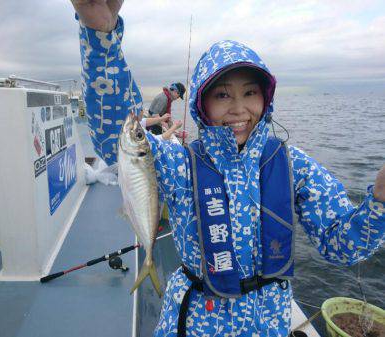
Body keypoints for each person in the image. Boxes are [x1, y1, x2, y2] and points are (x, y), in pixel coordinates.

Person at [70, 1, 385, 336]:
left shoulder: (294, 165)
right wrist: (100, 35)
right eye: (222, 95)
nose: (239, 109)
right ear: (202, 104)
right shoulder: (180, 163)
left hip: (269, 324)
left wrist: (379, 203)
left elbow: (342, 247)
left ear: (266, 98)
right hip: (193, 322)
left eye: (250, 93)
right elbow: (118, 135)